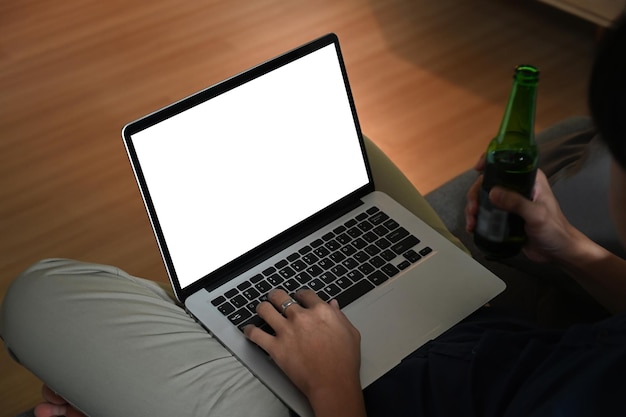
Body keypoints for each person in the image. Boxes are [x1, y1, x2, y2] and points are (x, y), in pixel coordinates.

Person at [4, 13, 626, 417]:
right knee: (346, 157)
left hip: (359, 399)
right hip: (491, 349)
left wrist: (332, 384)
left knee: (41, 292)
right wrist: (574, 247)